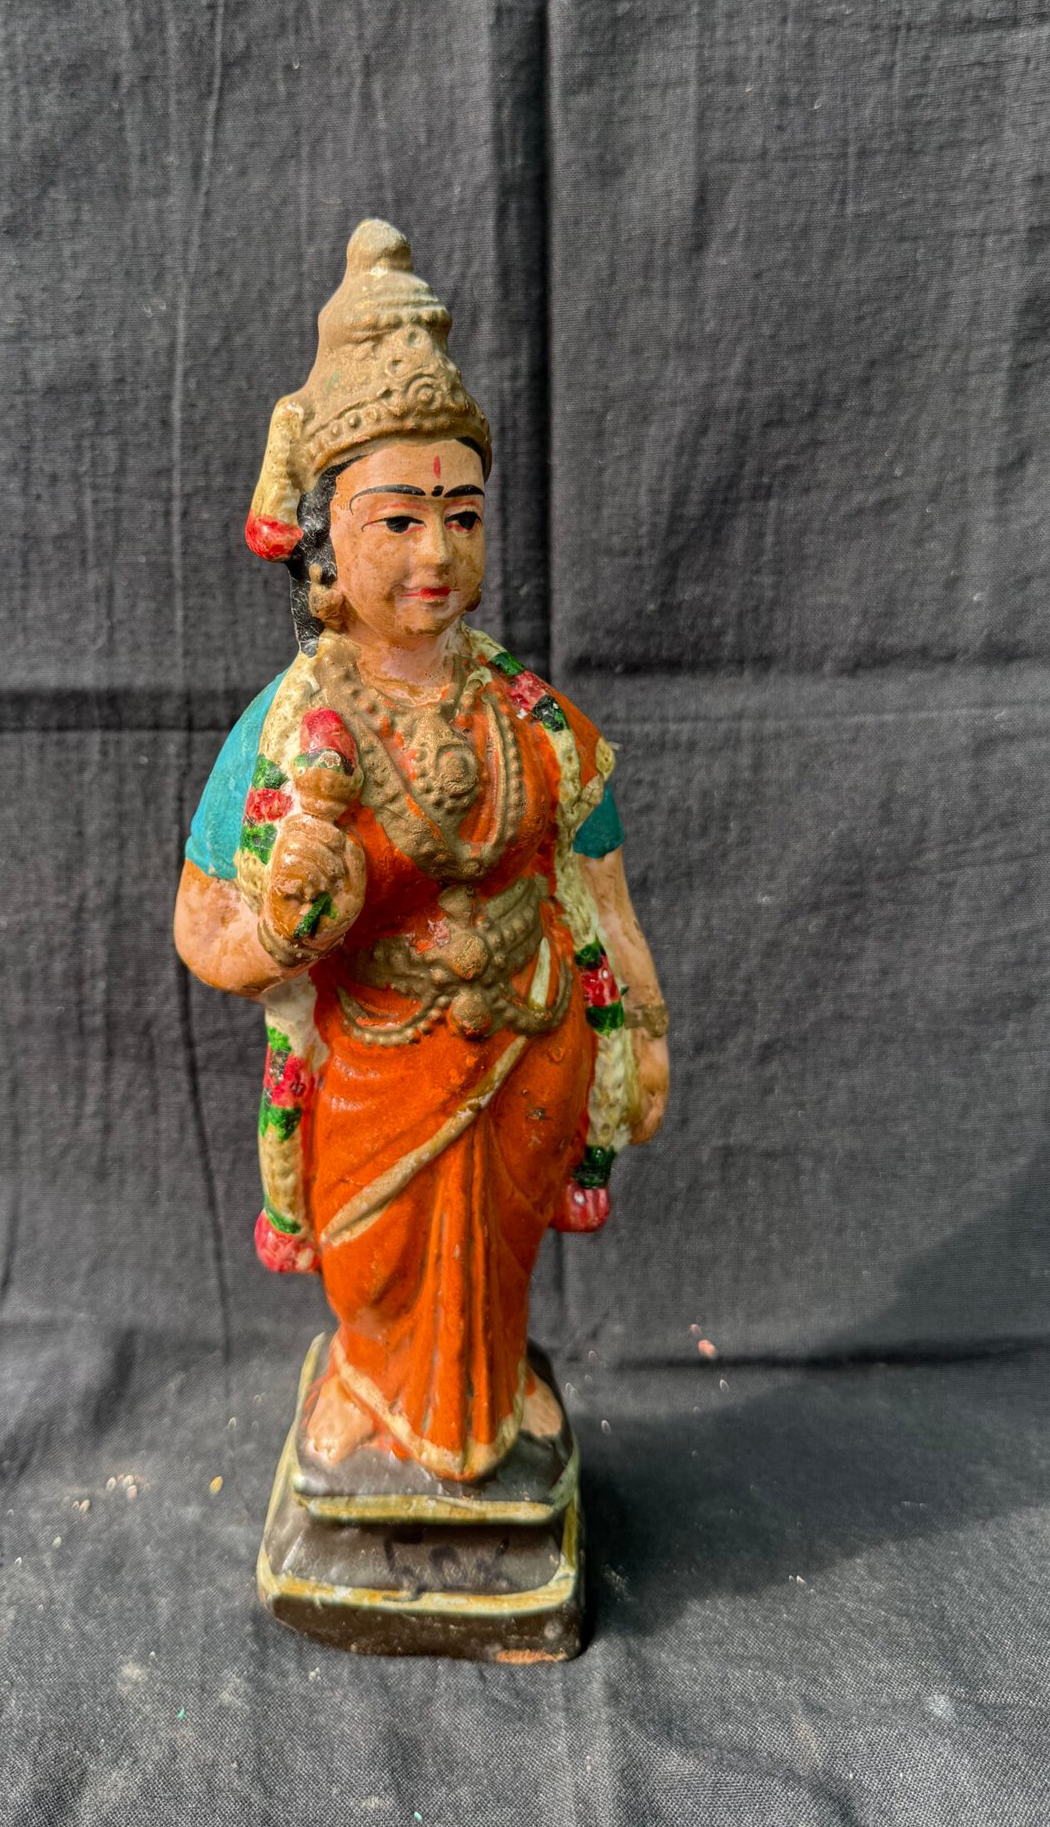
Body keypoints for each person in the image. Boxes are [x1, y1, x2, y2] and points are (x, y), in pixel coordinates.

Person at [174, 220, 669, 1484]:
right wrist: (280, 928)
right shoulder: (288, 738)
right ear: (324, 549)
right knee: (373, 1253)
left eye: (461, 516)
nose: (435, 554)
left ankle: (495, 1378)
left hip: (529, 1034)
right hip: (373, 1059)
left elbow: (598, 883)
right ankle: (364, 1372)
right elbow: (203, 925)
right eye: (397, 521)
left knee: (502, 1246)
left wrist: (644, 1026)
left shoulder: (536, 720)